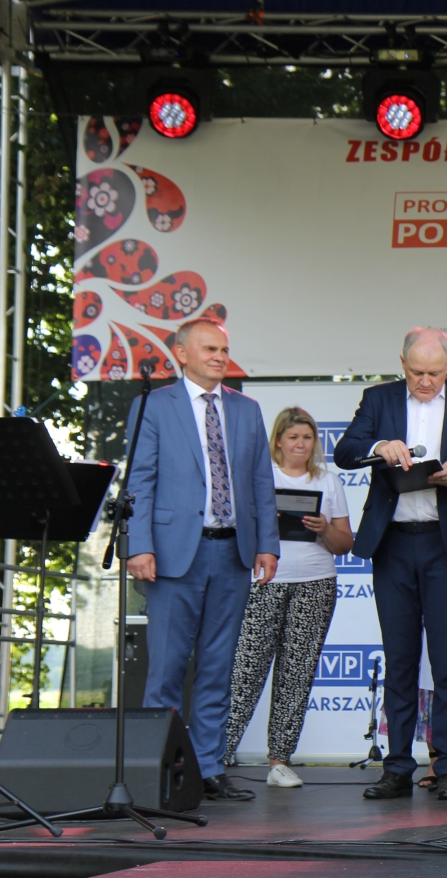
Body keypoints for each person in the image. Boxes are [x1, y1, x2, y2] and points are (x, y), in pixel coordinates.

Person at [125, 318, 279, 802]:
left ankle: (209, 768)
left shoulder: (247, 409)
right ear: (181, 353)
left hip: (232, 551)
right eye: (209, 348)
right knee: (166, 669)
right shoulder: (153, 405)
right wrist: (138, 545)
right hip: (172, 555)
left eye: (224, 349)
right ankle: (159, 772)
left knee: (218, 668)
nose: (219, 356)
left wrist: (268, 544)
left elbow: (261, 483)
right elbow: (139, 481)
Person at [333, 328, 447, 801]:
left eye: (435, 373)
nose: (425, 381)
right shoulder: (378, 399)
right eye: (417, 372)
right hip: (393, 543)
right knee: (399, 659)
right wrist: (379, 447)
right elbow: (344, 451)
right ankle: (396, 766)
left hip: (445, 543)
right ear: (402, 364)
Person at [222, 407, 352, 787]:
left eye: (307, 437)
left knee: (297, 674)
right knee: (245, 670)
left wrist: (323, 527)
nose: (301, 444)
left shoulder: (328, 481)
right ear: (278, 440)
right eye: (293, 437)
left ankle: (279, 761)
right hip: (264, 581)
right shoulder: (261, 476)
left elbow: (345, 544)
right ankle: (216, 756)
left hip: (316, 582)